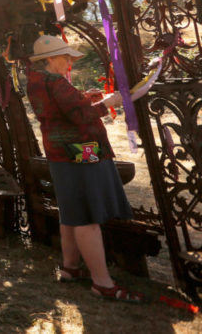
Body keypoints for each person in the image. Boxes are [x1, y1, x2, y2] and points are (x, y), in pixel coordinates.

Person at [26, 35, 143, 303]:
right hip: (79, 152)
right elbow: (79, 116)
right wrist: (108, 104)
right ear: (50, 58)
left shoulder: (36, 80)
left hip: (59, 153)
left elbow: (61, 110)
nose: (69, 61)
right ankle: (102, 282)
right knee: (87, 218)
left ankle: (70, 267)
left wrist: (83, 98)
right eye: (65, 56)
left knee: (71, 211)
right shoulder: (55, 81)